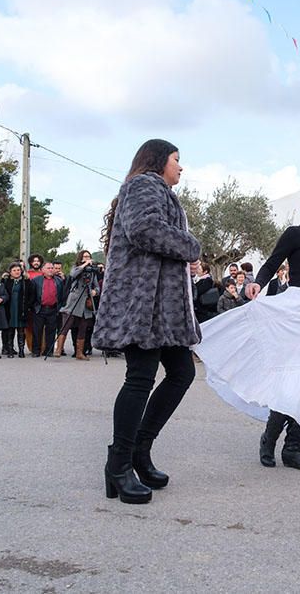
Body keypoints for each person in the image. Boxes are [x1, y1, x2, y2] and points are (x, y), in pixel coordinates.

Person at [196, 187, 300, 475]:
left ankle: (294, 448)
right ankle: (269, 440)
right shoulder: (295, 234)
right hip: (292, 313)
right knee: (290, 381)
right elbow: (272, 261)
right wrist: (258, 283)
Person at [93, 139, 201, 504]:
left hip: (162, 310)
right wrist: (190, 246)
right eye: (177, 159)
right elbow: (144, 229)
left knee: (182, 372)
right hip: (143, 304)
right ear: (159, 161)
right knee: (139, 379)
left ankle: (139, 450)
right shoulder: (142, 185)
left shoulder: (159, 191)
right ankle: (119, 465)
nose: (181, 167)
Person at [58, 250, 101, 360]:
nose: (87, 258)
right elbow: (73, 274)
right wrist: (85, 265)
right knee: (66, 324)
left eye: (88, 256)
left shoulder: (92, 272)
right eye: (85, 256)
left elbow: (97, 286)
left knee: (83, 327)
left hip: (86, 301)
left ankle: (79, 353)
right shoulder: (76, 267)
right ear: (80, 258)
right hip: (74, 300)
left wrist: (95, 292)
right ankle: (58, 349)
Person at [31, 262, 64, 357]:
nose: (51, 269)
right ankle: (36, 351)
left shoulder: (59, 281)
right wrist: (33, 307)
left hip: (53, 309)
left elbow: (61, 296)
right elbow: (32, 296)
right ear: (43, 270)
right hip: (39, 309)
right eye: (48, 268)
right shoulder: (36, 281)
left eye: (52, 268)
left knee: (51, 331)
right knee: (37, 331)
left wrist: (59, 308)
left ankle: (48, 351)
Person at [2, 261, 33, 358]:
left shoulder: (26, 281)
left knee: (21, 330)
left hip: (22, 309)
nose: (16, 272)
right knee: (10, 331)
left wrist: (28, 306)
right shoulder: (6, 281)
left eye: (18, 270)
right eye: (14, 270)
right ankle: (10, 350)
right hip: (10, 309)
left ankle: (21, 350)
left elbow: (31, 295)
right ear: (10, 272)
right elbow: (1, 293)